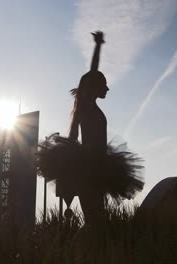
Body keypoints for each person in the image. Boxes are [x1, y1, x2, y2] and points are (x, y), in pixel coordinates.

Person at [37, 31, 144, 225]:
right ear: (94, 86)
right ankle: (73, 251)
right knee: (95, 220)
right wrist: (98, 46)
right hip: (89, 168)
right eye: (104, 84)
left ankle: (85, 251)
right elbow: (92, 72)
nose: (107, 88)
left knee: (97, 219)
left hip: (98, 166)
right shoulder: (86, 106)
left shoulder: (90, 108)